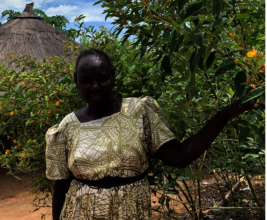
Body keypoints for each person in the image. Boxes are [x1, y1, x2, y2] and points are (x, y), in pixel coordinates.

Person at [45, 48, 262, 220]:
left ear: (113, 76)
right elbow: (61, 186)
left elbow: (179, 157)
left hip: (132, 213)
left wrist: (223, 115)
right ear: (76, 81)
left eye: (102, 78)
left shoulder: (138, 111)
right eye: (86, 80)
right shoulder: (67, 127)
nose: (95, 86)